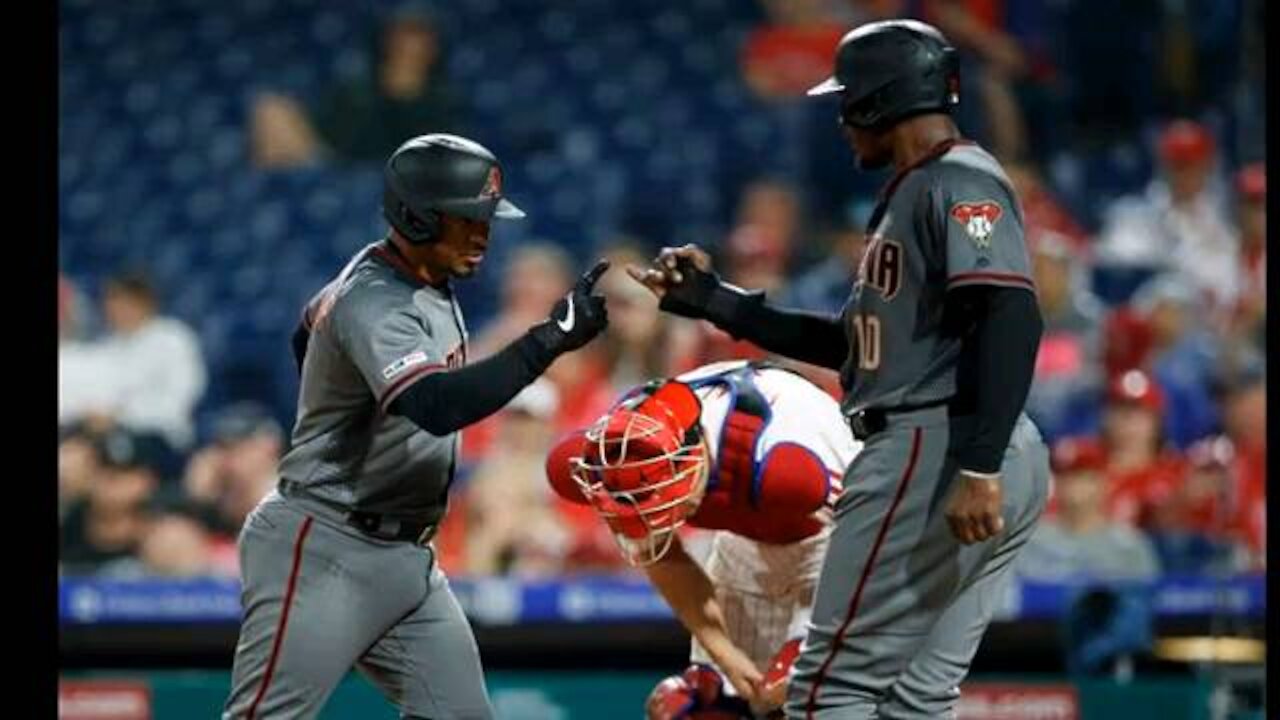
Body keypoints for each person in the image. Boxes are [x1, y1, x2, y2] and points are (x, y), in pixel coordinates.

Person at [627, 21, 1049, 718]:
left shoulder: (958, 179)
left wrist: (979, 465)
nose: (842, 119)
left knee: (831, 689)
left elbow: (1011, 316)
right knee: (913, 696)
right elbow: (857, 346)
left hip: (939, 443)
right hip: (963, 439)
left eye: (849, 101)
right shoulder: (917, 190)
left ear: (885, 100)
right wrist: (713, 301)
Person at [222, 134, 610, 720]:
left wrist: (337, 402)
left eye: (486, 220)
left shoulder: (415, 278)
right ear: (418, 216)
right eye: (466, 220)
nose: (483, 234)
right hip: (328, 540)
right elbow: (435, 405)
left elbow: (305, 336)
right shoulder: (375, 298)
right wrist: (547, 341)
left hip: (405, 555)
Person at [544, 360, 861, 718]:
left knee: (805, 697)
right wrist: (726, 656)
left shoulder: (791, 468)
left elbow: (877, 536)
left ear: (692, 458)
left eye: (663, 504)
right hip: (747, 539)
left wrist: (801, 655)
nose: (655, 518)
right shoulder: (617, 463)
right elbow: (662, 557)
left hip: (843, 540)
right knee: (696, 708)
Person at [251, 5, 463, 168]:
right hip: (330, 158)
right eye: (404, 35)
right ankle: (274, 195)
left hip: (389, 171)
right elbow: (326, 124)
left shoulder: (439, 98)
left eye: (419, 37)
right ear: (389, 40)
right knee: (270, 109)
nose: (409, 45)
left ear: (433, 48)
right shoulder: (359, 84)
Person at [62, 271, 207, 452]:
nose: (111, 308)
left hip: (161, 436)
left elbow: (178, 400)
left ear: (143, 302)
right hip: (107, 435)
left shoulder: (173, 338)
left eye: (120, 301)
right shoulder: (106, 346)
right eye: (109, 301)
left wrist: (121, 417)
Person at [1017, 438, 1161, 582]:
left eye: (1080, 475)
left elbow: (1149, 598)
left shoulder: (1129, 545)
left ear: (1103, 482)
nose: (1070, 484)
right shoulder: (1029, 540)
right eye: (1063, 475)